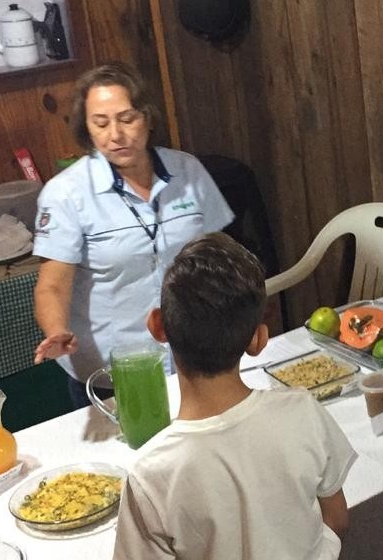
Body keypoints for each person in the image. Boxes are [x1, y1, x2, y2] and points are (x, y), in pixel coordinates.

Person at [113, 233, 356, 560]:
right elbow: (336, 517)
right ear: (259, 340)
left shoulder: (150, 473)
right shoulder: (303, 411)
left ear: (158, 326)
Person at [32, 63, 234, 407]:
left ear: (148, 118)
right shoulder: (66, 193)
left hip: (194, 355)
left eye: (127, 119)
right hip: (116, 370)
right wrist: (56, 330)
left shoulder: (187, 170)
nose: (115, 135)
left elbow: (219, 254)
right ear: (87, 129)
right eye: (101, 123)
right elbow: (52, 285)